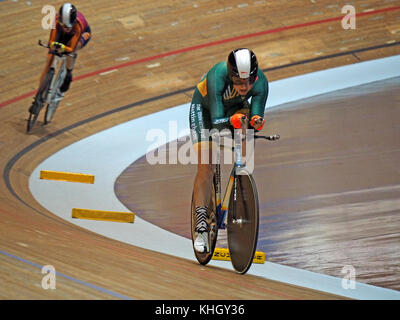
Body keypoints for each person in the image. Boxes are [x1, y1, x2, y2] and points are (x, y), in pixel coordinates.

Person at [189, 48, 269, 253]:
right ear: (230, 75)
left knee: (247, 135)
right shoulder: (217, 75)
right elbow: (217, 121)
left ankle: (239, 176)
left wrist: (256, 122)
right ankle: (200, 227)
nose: (245, 86)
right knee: (206, 166)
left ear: (255, 75)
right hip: (206, 111)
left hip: (234, 108)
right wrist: (232, 122)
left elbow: (257, 115)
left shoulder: (261, 83)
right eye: (240, 82)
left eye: (249, 81)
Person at [38, 3, 91, 97]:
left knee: (73, 49)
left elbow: (70, 48)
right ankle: (39, 94)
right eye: (63, 25)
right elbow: (51, 41)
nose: (65, 28)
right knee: (49, 58)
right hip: (62, 33)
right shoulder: (57, 21)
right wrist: (53, 47)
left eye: (67, 26)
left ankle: (68, 73)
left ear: (73, 22)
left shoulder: (79, 26)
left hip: (82, 34)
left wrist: (64, 48)